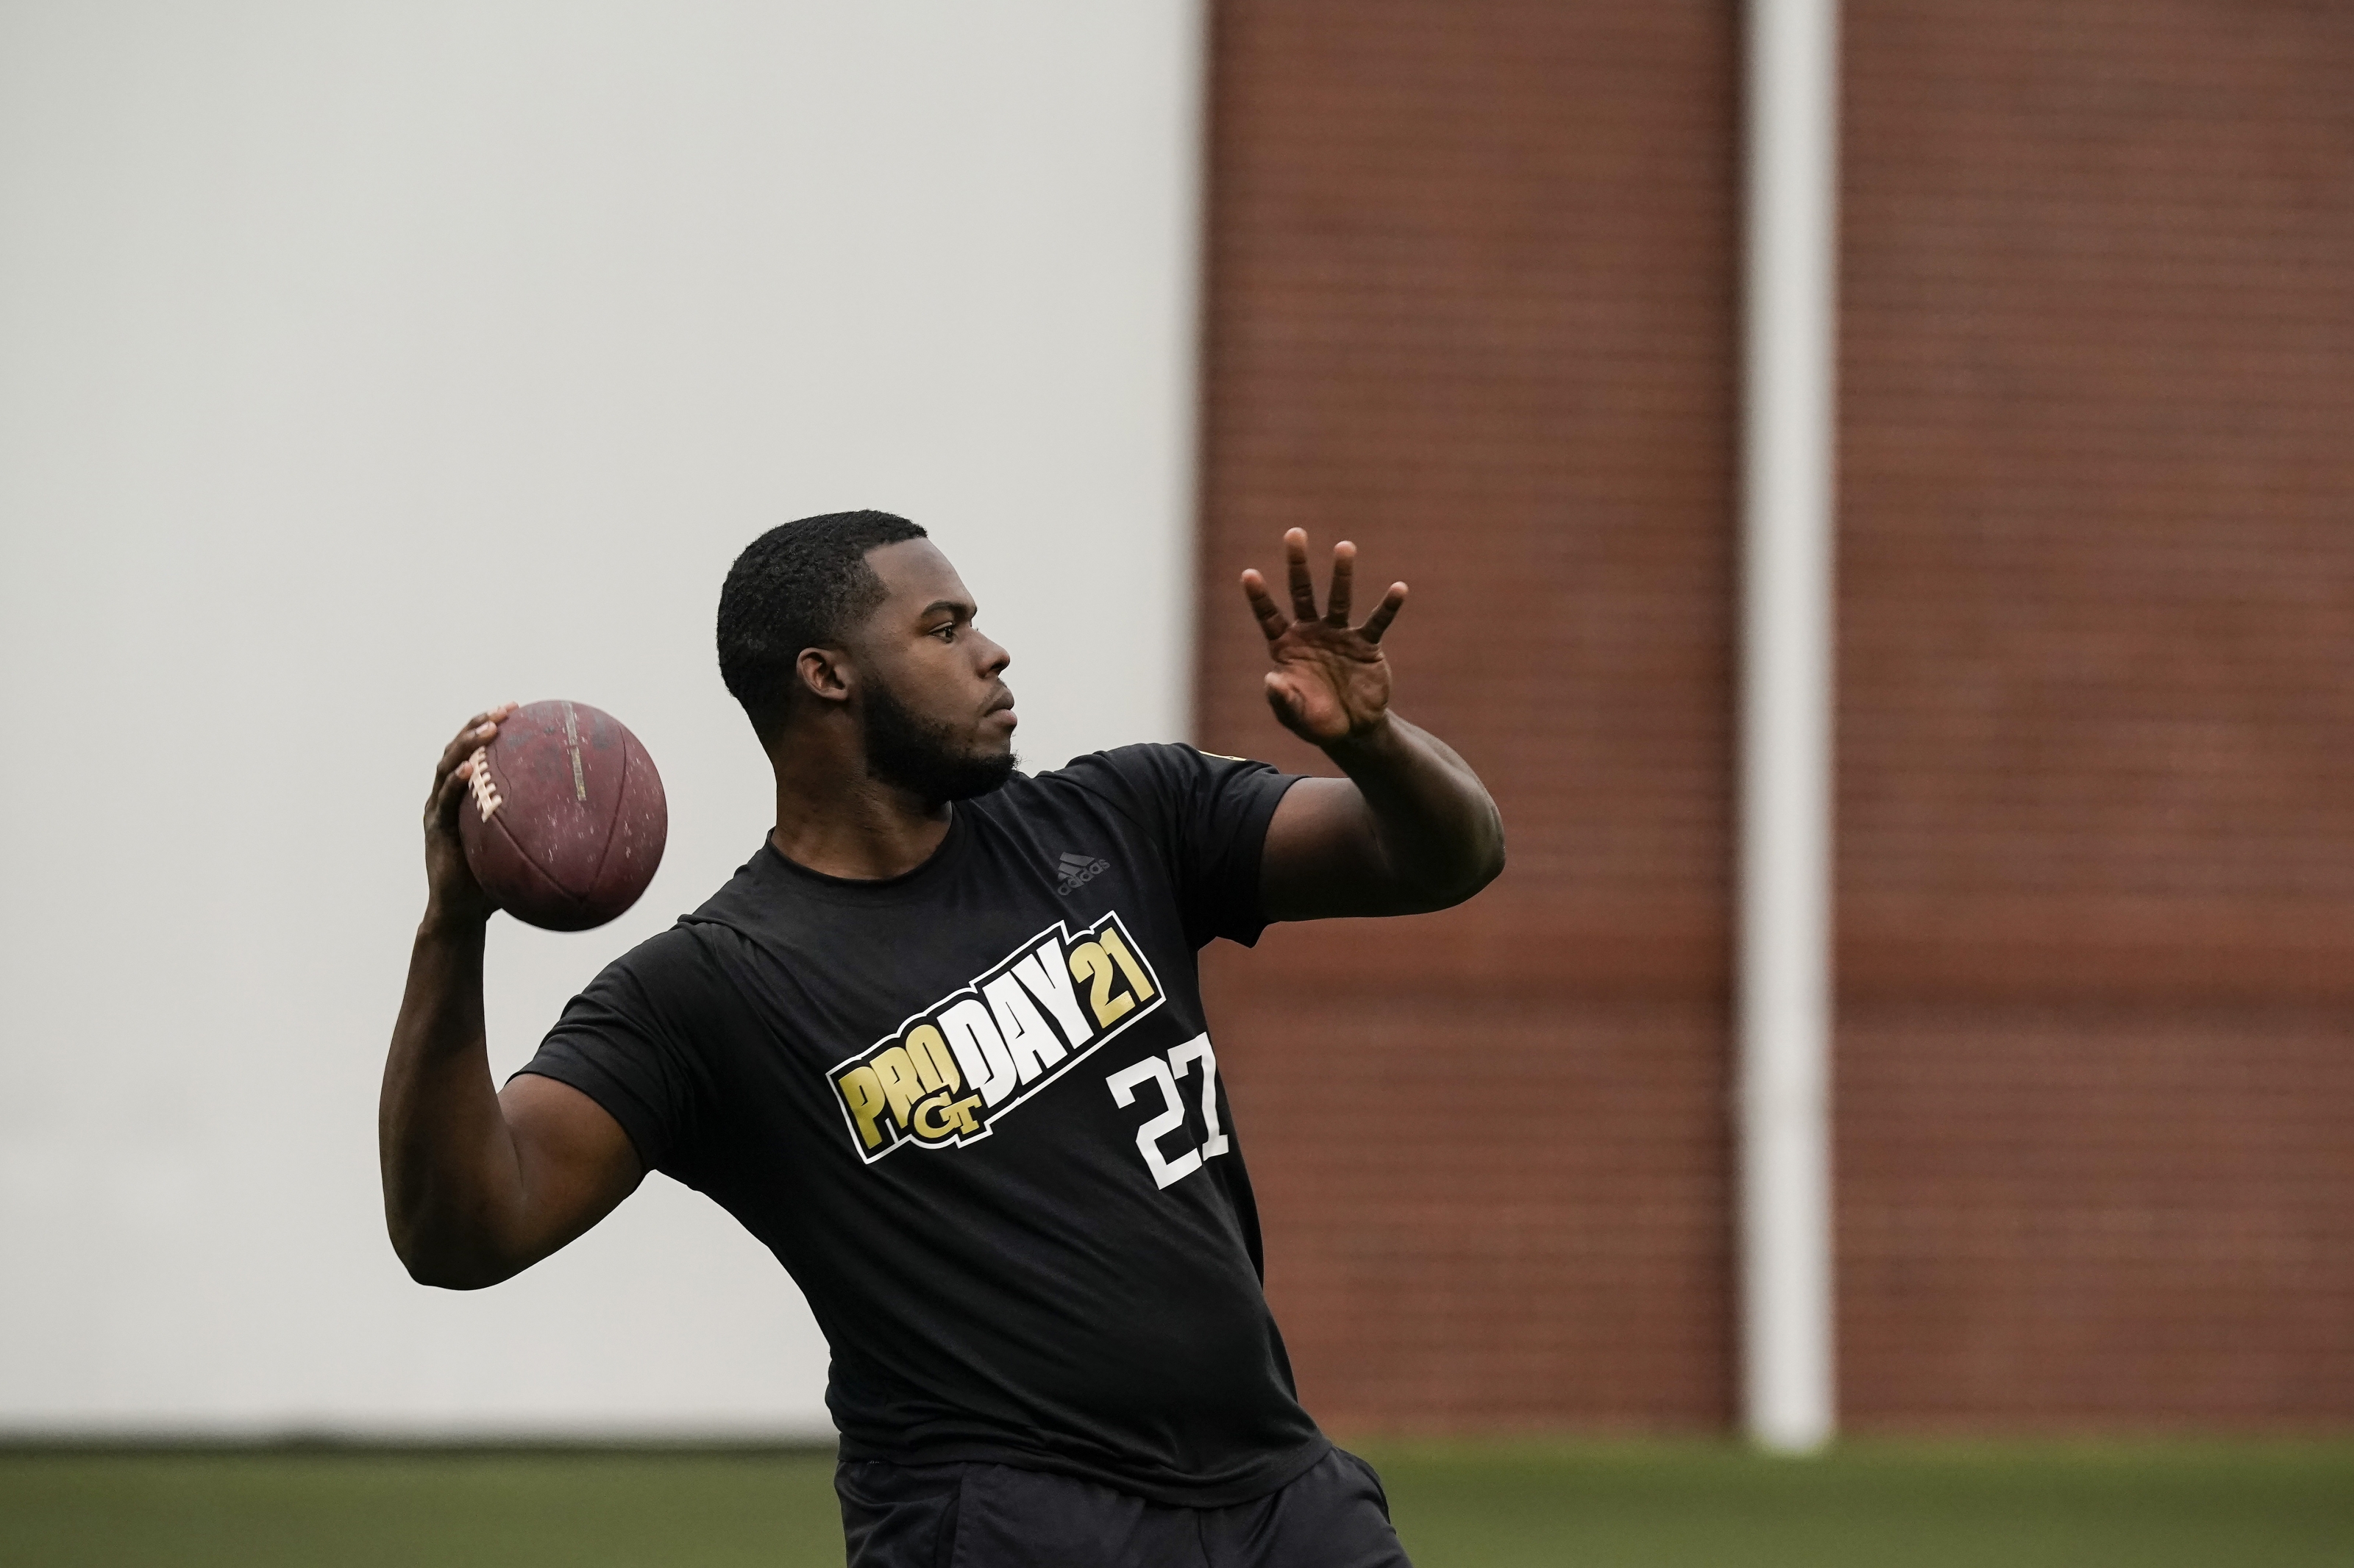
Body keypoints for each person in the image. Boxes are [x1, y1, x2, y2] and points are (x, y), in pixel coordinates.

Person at [380, 511, 1504, 1567]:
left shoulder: (1126, 817)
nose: (993, 653)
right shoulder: (714, 987)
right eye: (945, 628)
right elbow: (465, 1228)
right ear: (829, 676)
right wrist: (453, 926)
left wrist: (1378, 744)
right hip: (1013, 1524)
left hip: (1282, 1499)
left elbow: (1449, 858)